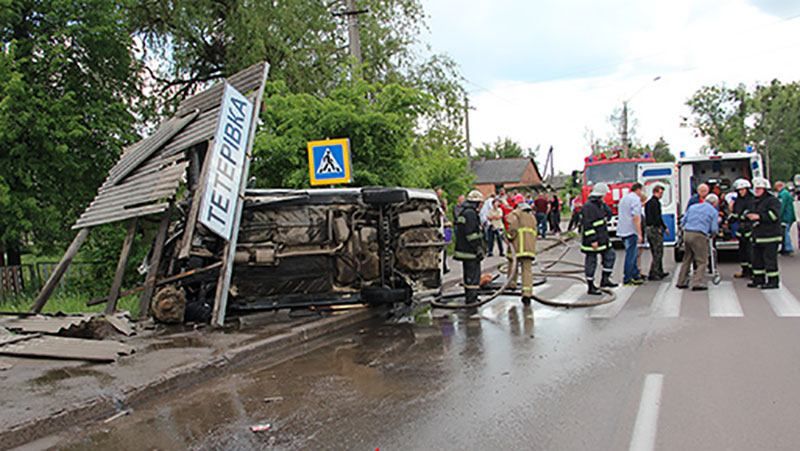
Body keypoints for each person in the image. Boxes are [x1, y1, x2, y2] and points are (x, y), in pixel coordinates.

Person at [676, 193, 720, 291]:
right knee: (702, 260)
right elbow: (713, 228)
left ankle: (681, 281)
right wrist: (713, 234)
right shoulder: (713, 211)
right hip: (699, 234)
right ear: (714, 203)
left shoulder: (693, 207)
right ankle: (697, 282)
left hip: (687, 233)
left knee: (687, 258)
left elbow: (683, 220)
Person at [581, 183, 618, 294]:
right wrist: (593, 240)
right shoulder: (588, 207)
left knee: (610, 255)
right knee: (591, 262)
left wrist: (604, 204)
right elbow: (588, 225)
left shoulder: (600, 204)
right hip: (592, 240)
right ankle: (591, 286)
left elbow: (609, 214)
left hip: (603, 238)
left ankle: (605, 279)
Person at [747, 177, 782, 289]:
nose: (756, 191)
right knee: (757, 259)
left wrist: (759, 217)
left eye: (759, 189)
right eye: (756, 189)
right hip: (758, 236)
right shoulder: (754, 201)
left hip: (770, 236)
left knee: (769, 260)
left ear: (765, 189)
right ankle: (758, 279)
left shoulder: (772, 200)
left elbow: (774, 215)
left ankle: (773, 281)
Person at [454, 190, 486, 303]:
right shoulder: (471, 214)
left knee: (468, 275)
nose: (481, 206)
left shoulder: (464, 212)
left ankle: (470, 296)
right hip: (470, 251)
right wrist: (478, 248)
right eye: (480, 203)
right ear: (475, 202)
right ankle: (472, 298)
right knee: (474, 276)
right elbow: (471, 234)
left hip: (464, 250)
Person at [506, 200, 538, 305]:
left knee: (513, 265)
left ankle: (512, 284)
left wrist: (508, 237)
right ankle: (527, 293)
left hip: (517, 247)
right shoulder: (533, 218)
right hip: (529, 249)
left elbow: (512, 230)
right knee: (527, 271)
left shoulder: (517, 216)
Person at [618, 183, 646, 285]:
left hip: (623, 230)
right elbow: (636, 217)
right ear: (638, 190)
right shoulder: (635, 200)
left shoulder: (624, 198)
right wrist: (639, 233)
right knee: (631, 255)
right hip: (631, 230)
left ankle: (635, 275)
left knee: (632, 254)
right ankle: (627, 278)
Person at [644, 185, 669, 280]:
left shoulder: (648, 203)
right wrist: (662, 227)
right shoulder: (655, 203)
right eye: (660, 193)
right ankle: (654, 272)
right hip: (654, 228)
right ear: (655, 192)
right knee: (658, 251)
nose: (661, 195)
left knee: (655, 250)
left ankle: (659, 270)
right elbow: (657, 217)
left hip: (649, 228)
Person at [731, 179, 754, 279]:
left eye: (743, 190)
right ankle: (745, 270)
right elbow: (736, 212)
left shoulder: (752, 200)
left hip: (750, 229)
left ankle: (752, 271)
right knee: (742, 251)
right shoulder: (738, 201)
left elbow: (750, 214)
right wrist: (732, 218)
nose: (741, 192)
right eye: (739, 190)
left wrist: (741, 217)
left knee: (751, 251)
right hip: (741, 229)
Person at [775, 181, 796, 255]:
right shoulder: (786, 193)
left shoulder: (783, 194)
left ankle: (788, 248)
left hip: (785, 217)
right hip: (789, 216)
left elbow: (781, 206)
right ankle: (785, 248)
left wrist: (778, 215)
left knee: (785, 232)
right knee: (784, 232)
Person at [436, 188, 451, 273]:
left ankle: (444, 266)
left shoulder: (443, 211)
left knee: (444, 250)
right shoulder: (438, 210)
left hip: (444, 230)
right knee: (442, 250)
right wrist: (446, 223)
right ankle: (443, 267)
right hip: (441, 230)